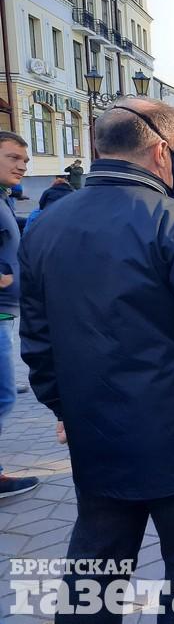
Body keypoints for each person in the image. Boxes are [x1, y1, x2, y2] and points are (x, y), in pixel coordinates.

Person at [20, 100, 174, 619]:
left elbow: (38, 341)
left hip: (97, 436)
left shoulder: (45, 225)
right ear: (161, 153)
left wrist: (63, 408)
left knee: (94, 575)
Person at [0, 132, 37, 500]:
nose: (22, 165)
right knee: (2, 397)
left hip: (7, 313)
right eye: (12, 157)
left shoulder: (4, 199)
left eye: (24, 159)